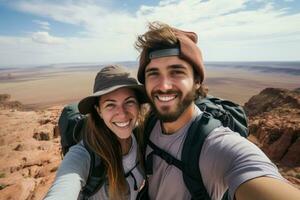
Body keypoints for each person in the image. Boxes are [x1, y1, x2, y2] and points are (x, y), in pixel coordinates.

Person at [135, 22, 300, 200]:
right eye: (153, 73)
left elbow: (251, 169)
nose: (164, 85)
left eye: (177, 72)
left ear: (197, 81)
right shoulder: (150, 124)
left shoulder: (217, 145)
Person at [45, 65, 147, 200]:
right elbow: (63, 188)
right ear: (99, 111)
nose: (122, 114)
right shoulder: (83, 154)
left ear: (138, 105)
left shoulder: (142, 136)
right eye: (110, 105)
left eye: (129, 102)